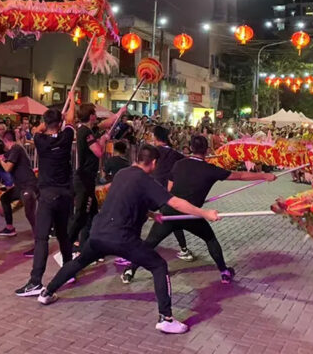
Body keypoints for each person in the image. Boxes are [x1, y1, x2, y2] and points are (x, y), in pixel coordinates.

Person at [35, 144, 220, 335]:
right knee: (158, 266)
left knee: (80, 261)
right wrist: (204, 213)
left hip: (99, 233)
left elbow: (126, 198)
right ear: (154, 162)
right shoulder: (147, 181)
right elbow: (176, 203)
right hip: (122, 238)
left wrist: (148, 213)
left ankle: (46, 292)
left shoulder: (122, 174)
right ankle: (166, 319)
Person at [122, 135, 276, 285]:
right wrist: (264, 176)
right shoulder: (210, 169)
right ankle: (224, 272)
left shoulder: (179, 164)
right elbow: (240, 175)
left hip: (170, 211)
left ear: (190, 148)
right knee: (210, 239)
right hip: (191, 213)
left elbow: (169, 189)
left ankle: (130, 270)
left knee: (149, 242)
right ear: (207, 150)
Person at [14, 95, 76, 297]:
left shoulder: (40, 141)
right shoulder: (67, 137)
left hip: (48, 194)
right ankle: (68, 270)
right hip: (65, 193)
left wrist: (51, 121)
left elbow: (36, 130)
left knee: (42, 238)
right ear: (60, 123)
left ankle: (35, 281)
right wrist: (72, 100)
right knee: (63, 235)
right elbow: (72, 121)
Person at [69, 102, 124, 252]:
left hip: (88, 177)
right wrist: (104, 139)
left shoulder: (86, 128)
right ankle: (70, 244)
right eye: (95, 114)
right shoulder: (85, 132)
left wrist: (119, 112)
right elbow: (98, 152)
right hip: (84, 179)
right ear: (91, 116)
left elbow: (107, 123)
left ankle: (90, 243)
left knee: (92, 213)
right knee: (82, 214)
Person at [151, 125, 193, 262]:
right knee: (172, 219)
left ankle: (130, 251)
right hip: (167, 192)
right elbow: (186, 160)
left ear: (156, 137)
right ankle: (184, 249)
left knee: (138, 217)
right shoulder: (174, 154)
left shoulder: (153, 152)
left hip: (151, 190)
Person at [0, 131, 38, 245]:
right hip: (21, 186)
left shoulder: (16, 148)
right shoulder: (13, 149)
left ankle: (39, 241)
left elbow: (8, 168)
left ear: (6, 141)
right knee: (5, 198)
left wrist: (1, 162)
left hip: (28, 185)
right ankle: (9, 227)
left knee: (30, 214)